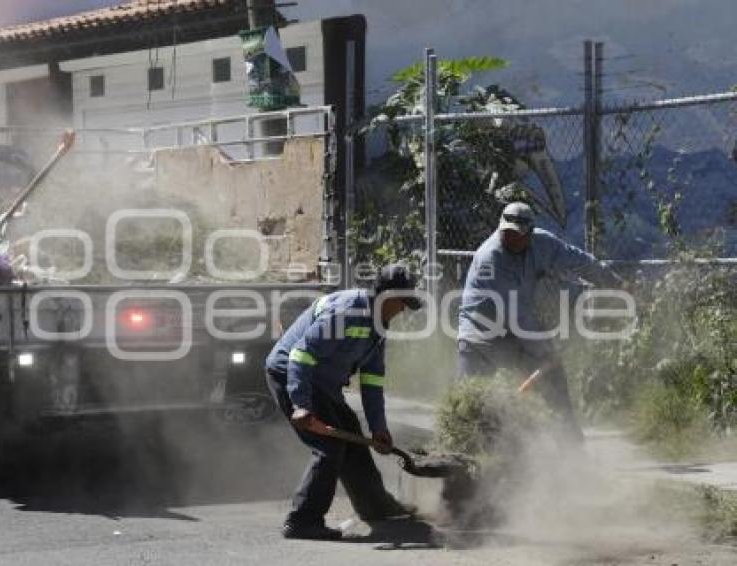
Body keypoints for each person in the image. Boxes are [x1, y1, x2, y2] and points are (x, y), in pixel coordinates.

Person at [265, 264, 423, 540]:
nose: (402, 311)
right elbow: (301, 355)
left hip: (323, 383)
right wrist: (301, 404)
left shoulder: (378, 326)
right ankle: (302, 521)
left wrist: (379, 428)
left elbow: (372, 380)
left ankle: (376, 506)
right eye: (401, 303)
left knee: (351, 435)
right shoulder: (347, 312)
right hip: (291, 374)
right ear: (385, 296)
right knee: (329, 445)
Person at [457, 202, 623, 442]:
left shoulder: (543, 244)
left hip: (513, 332)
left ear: (530, 233)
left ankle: (570, 448)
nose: (510, 238)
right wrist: (545, 351)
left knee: (554, 380)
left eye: (516, 234)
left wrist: (612, 281)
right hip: (479, 334)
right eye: (506, 232)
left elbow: (578, 261)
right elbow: (516, 316)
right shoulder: (491, 259)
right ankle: (467, 449)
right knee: (469, 401)